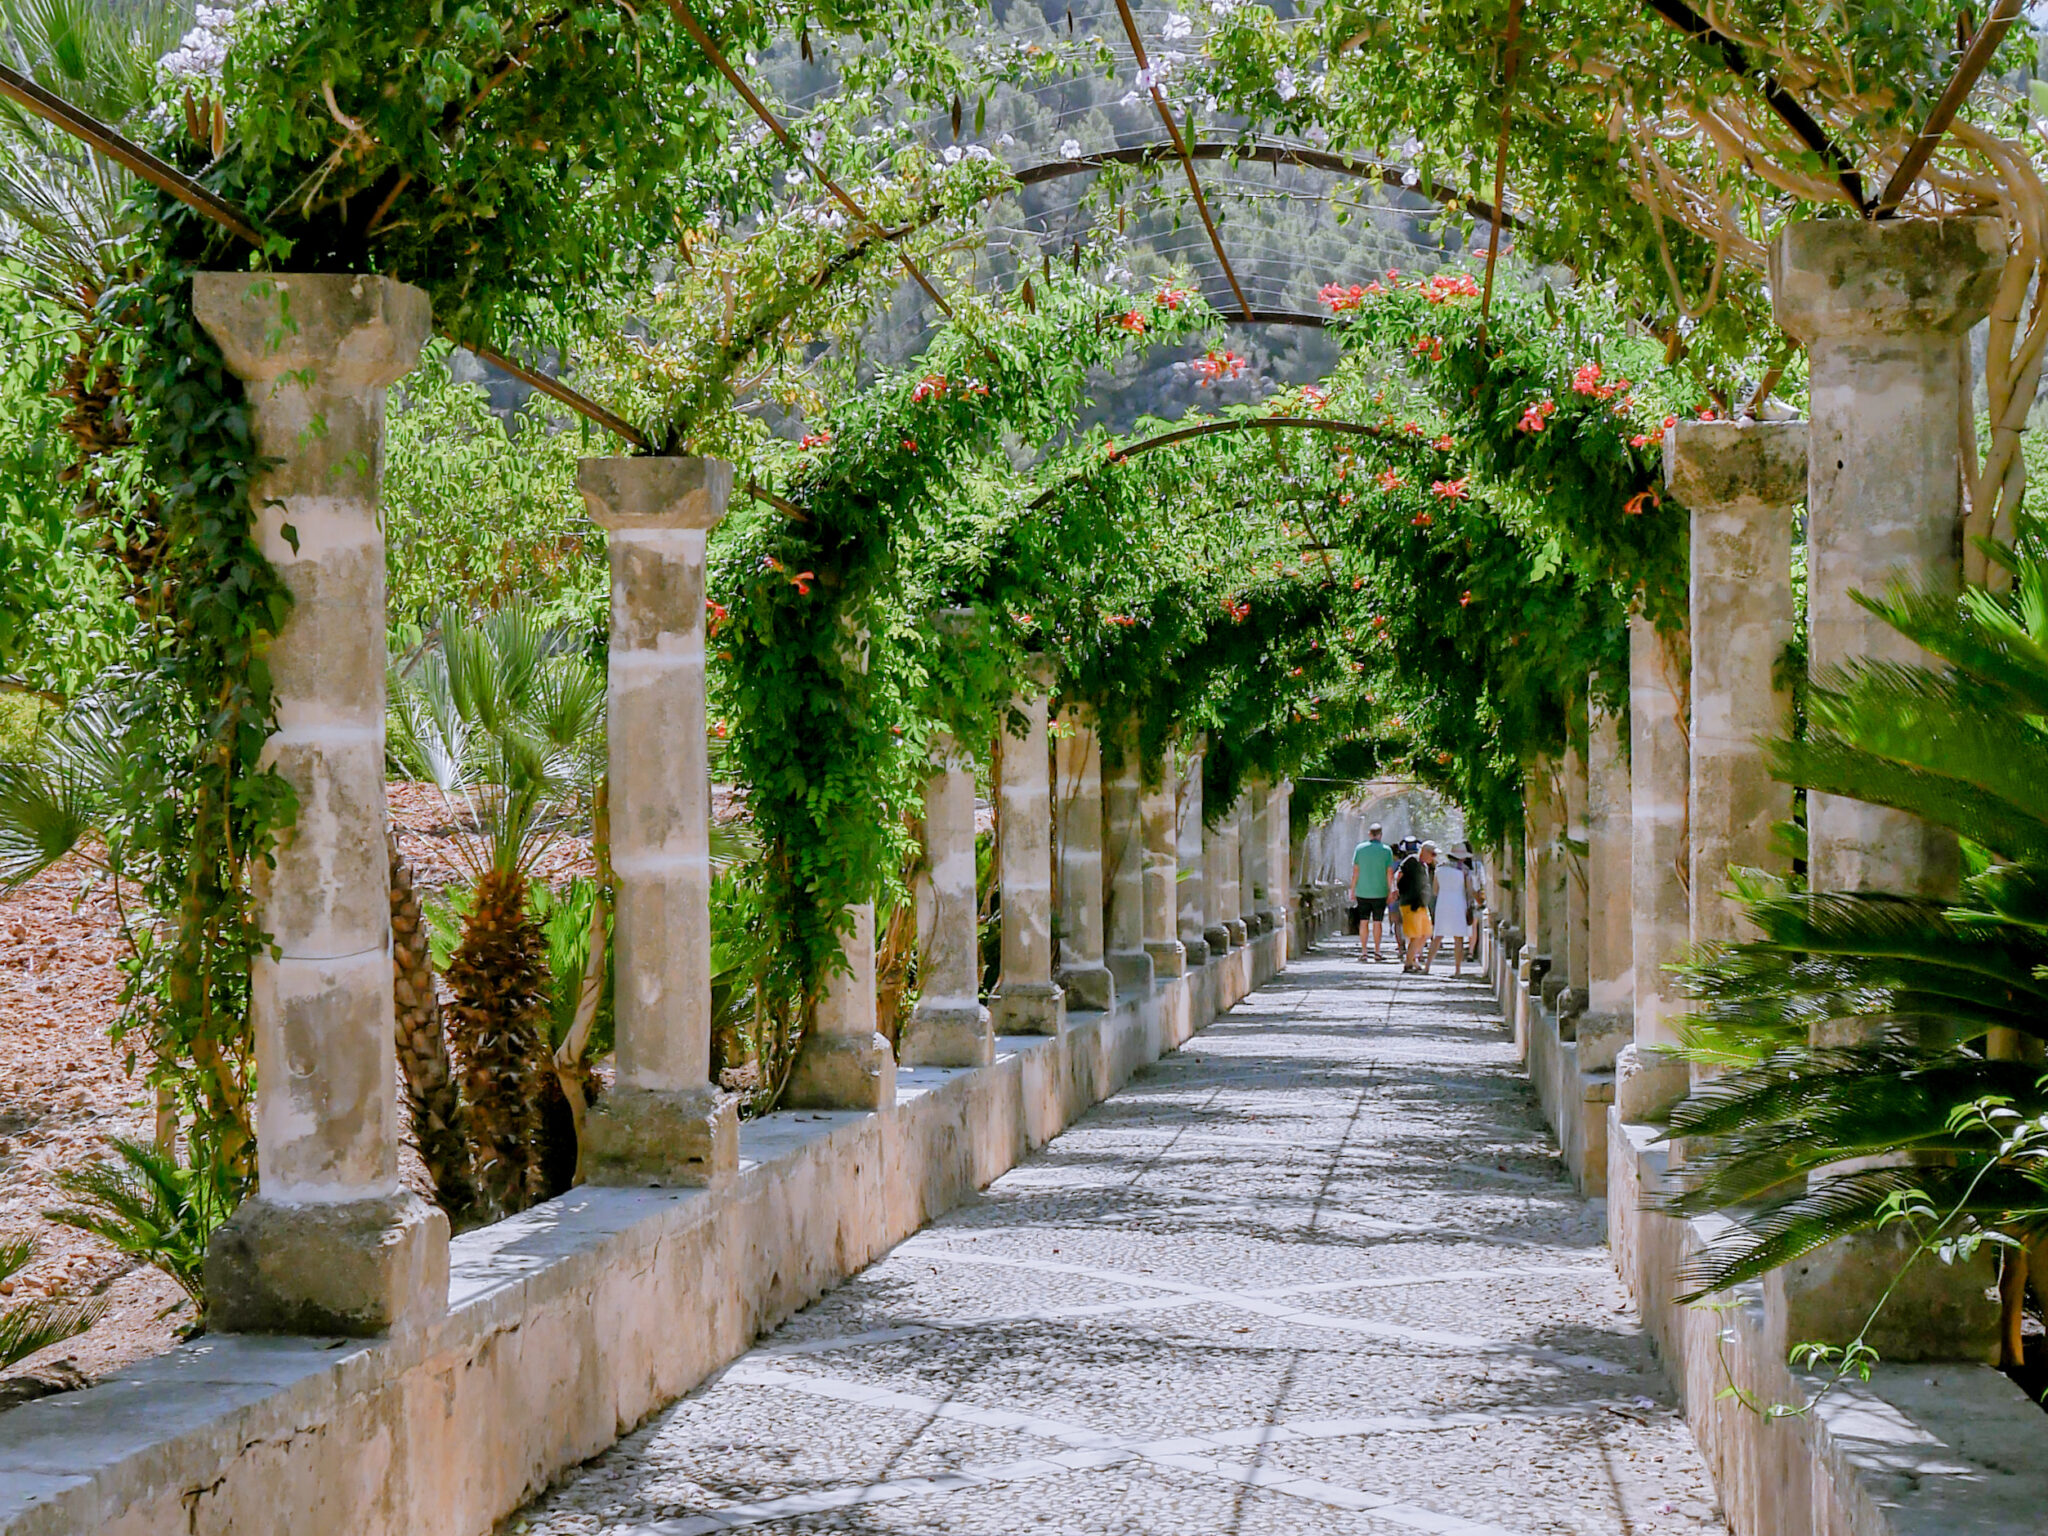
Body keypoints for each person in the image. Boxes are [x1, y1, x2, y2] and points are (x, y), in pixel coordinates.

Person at [1347, 822, 1397, 961]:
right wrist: (1391, 890)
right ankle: (1377, 951)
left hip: (1362, 890)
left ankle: (1363, 952)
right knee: (1377, 922)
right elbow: (1389, 872)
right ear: (1380, 835)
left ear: (1369, 834)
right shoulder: (1386, 850)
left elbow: (1355, 871)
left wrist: (1352, 889)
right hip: (1380, 891)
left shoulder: (1360, 849)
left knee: (1363, 921)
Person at [1428, 849, 1473, 977]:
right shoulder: (1464, 871)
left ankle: (1427, 966)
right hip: (1459, 903)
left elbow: (1435, 890)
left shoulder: (1440, 869)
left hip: (1443, 903)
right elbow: (1469, 889)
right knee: (1458, 938)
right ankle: (1457, 970)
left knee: (1438, 936)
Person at [1395, 840, 1437, 973]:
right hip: (1410, 904)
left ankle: (1413, 959)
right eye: (1433, 854)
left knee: (1426, 933)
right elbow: (1399, 876)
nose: (1434, 857)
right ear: (1424, 852)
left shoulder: (1425, 866)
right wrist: (1401, 892)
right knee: (1416, 935)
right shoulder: (1411, 861)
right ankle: (1408, 963)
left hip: (1421, 904)